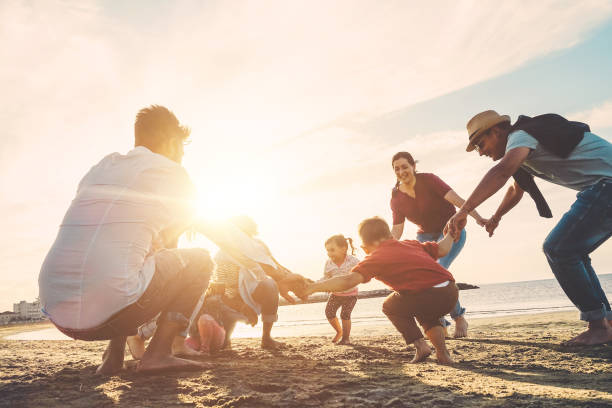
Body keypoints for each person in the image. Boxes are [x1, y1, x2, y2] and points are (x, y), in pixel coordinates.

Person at [37, 106, 287, 376]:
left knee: (130, 251)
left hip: (56, 309)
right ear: (171, 143)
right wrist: (279, 272)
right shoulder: (171, 174)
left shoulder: (101, 167)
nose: (181, 158)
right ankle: (159, 353)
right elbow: (224, 234)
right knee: (201, 261)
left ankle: (113, 356)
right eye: (181, 150)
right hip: (111, 311)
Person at [447, 110, 612, 346]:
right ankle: (606, 321)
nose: (481, 152)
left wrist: (463, 210)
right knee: (571, 251)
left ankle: (599, 326)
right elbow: (516, 188)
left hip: (607, 186)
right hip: (604, 188)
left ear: (497, 131)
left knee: (558, 249)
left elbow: (501, 172)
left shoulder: (520, 136)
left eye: (481, 144)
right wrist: (496, 217)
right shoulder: (524, 148)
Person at [304, 217, 459, 365]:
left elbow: (348, 281)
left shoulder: (375, 258)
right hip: (450, 292)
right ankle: (442, 353)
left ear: (365, 246)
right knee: (426, 313)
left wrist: (314, 287)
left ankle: (421, 346)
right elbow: (442, 249)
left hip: (426, 295)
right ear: (390, 235)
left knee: (391, 306)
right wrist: (451, 234)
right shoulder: (411, 244)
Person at [390, 151, 485, 337]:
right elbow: (397, 230)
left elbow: (458, 201)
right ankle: (440, 323)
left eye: (404, 167)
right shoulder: (396, 198)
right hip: (425, 238)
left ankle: (459, 318)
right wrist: (384, 249)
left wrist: (479, 219)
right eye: (397, 169)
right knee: (425, 279)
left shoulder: (430, 180)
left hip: (451, 232)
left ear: (413, 167)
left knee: (438, 272)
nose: (401, 171)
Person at [210, 215, 308, 350]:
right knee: (221, 344)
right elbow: (220, 292)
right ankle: (224, 338)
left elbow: (276, 267)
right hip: (230, 300)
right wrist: (242, 306)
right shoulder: (223, 255)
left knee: (270, 284)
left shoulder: (257, 245)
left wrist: (301, 282)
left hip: (253, 292)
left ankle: (266, 338)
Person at [322, 234, 360, 345]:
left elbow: (362, 272)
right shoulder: (328, 263)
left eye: (332, 250)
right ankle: (339, 332)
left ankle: (345, 338)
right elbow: (326, 277)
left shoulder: (353, 261)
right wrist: (325, 285)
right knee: (329, 313)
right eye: (327, 250)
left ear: (344, 249)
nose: (329, 253)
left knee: (345, 315)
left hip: (350, 294)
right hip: (335, 294)